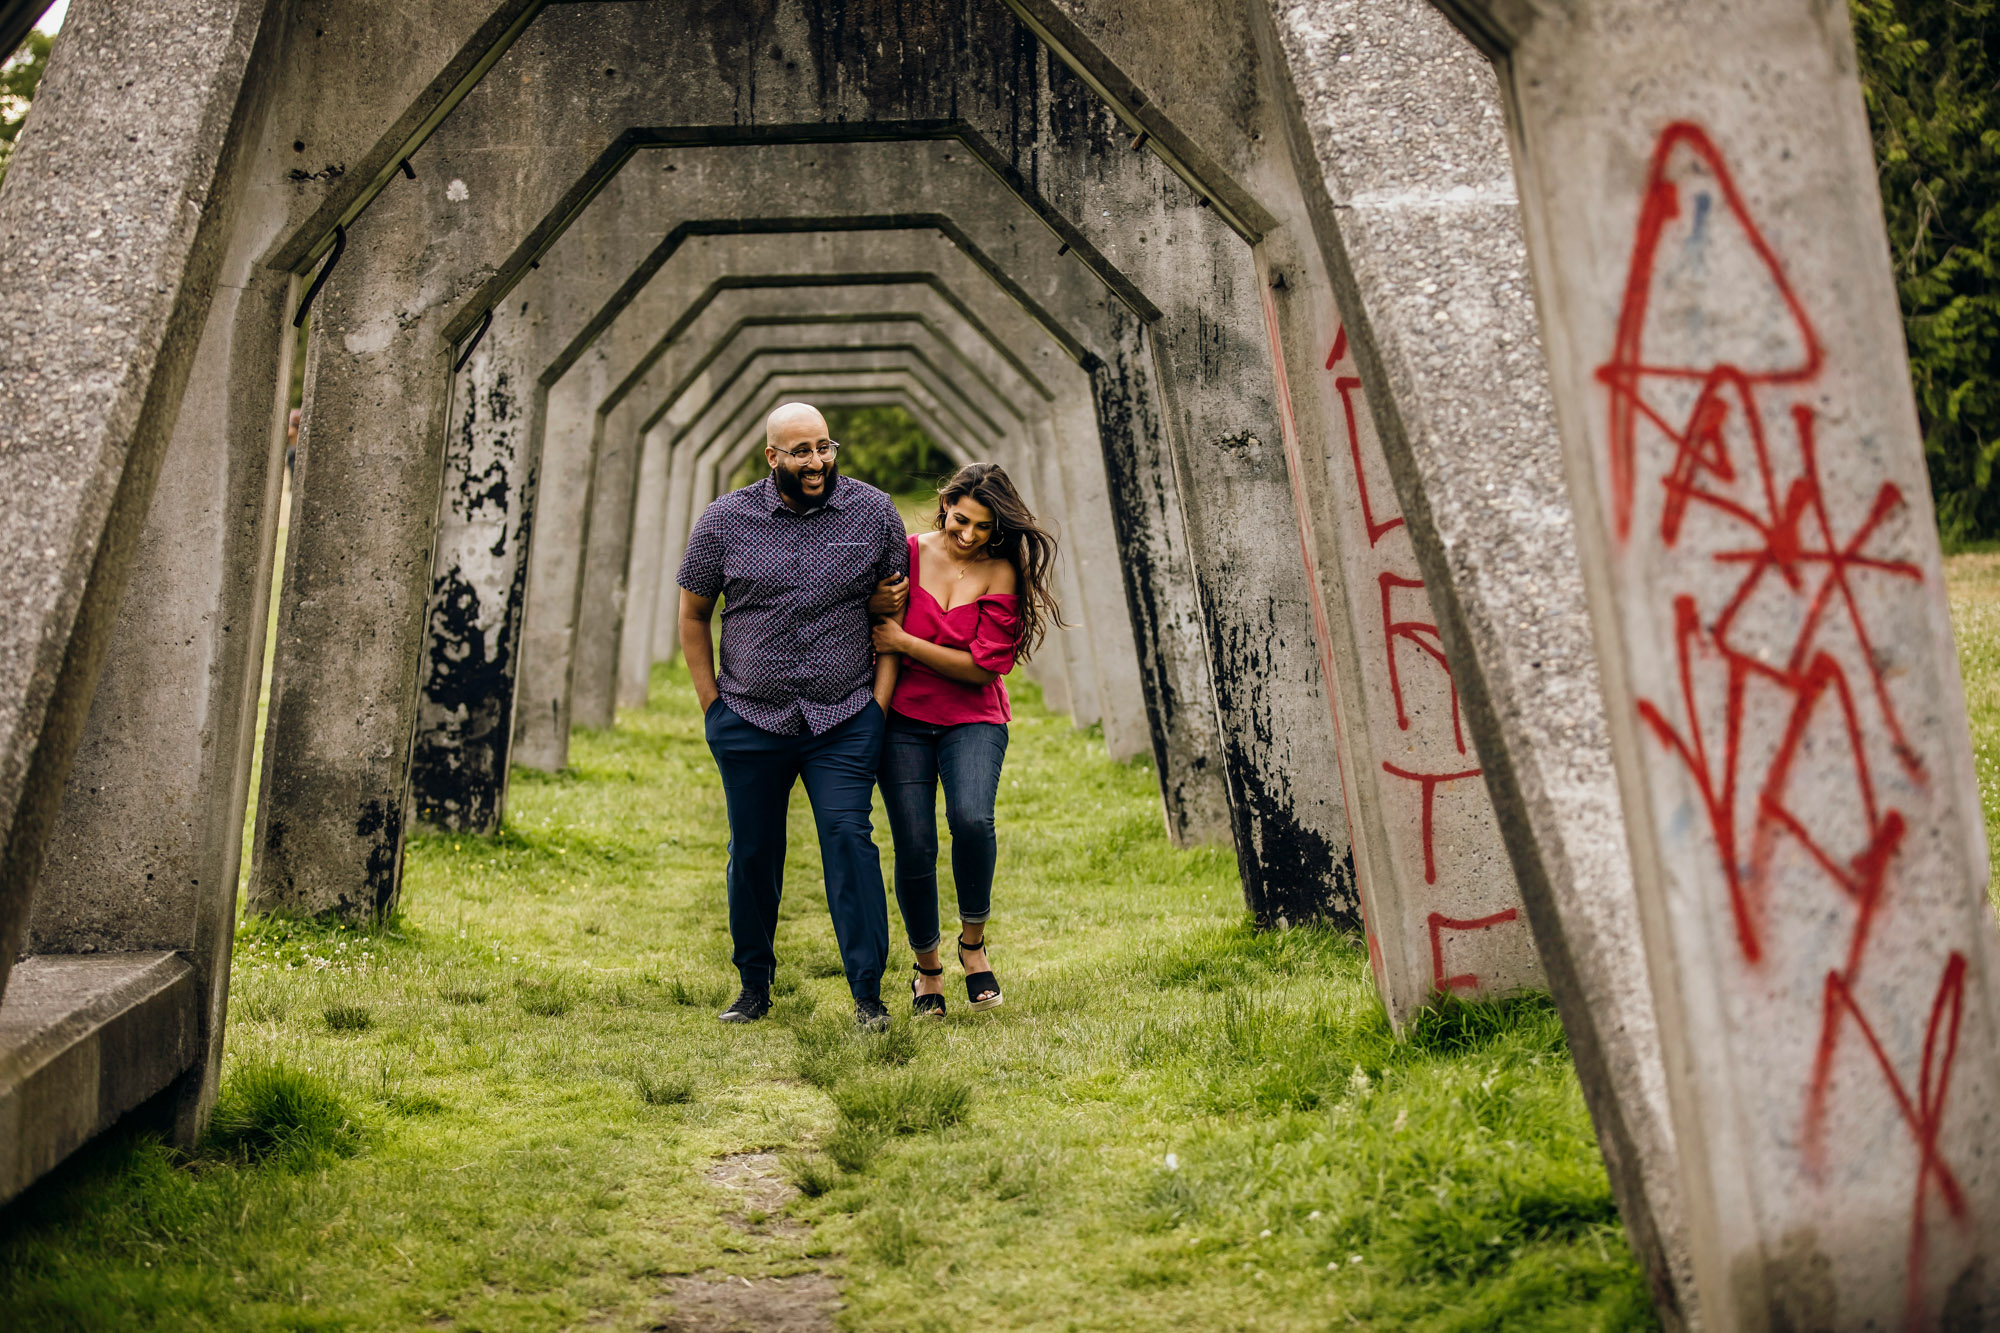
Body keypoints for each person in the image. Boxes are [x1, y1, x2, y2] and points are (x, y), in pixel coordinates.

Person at [677, 402, 911, 1030]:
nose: (817, 462)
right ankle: (753, 987)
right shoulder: (724, 520)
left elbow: (897, 615)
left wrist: (879, 705)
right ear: (772, 457)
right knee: (753, 852)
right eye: (801, 451)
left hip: (844, 714)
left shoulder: (873, 511)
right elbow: (694, 615)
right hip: (750, 717)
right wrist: (712, 707)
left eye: (824, 447)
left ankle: (867, 996)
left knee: (849, 841)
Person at [870, 463, 1065, 1017]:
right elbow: (870, 618)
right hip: (904, 720)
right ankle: (927, 969)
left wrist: (904, 640)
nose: (969, 535)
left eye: (983, 526)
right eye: (961, 520)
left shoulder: (1001, 570)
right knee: (913, 842)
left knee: (972, 819)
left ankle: (973, 947)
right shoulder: (906, 552)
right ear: (945, 504)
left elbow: (985, 668)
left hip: (973, 718)